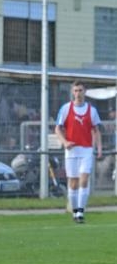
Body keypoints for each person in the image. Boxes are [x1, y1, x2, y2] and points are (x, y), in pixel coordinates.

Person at [55, 80, 102, 224]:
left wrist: (99, 148)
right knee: (73, 183)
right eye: (75, 90)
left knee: (84, 179)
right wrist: (65, 142)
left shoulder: (91, 110)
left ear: (85, 92)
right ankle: (75, 211)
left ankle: (81, 211)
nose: (78, 93)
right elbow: (57, 129)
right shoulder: (65, 109)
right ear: (72, 92)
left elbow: (95, 130)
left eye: (80, 90)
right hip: (71, 151)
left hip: (86, 149)